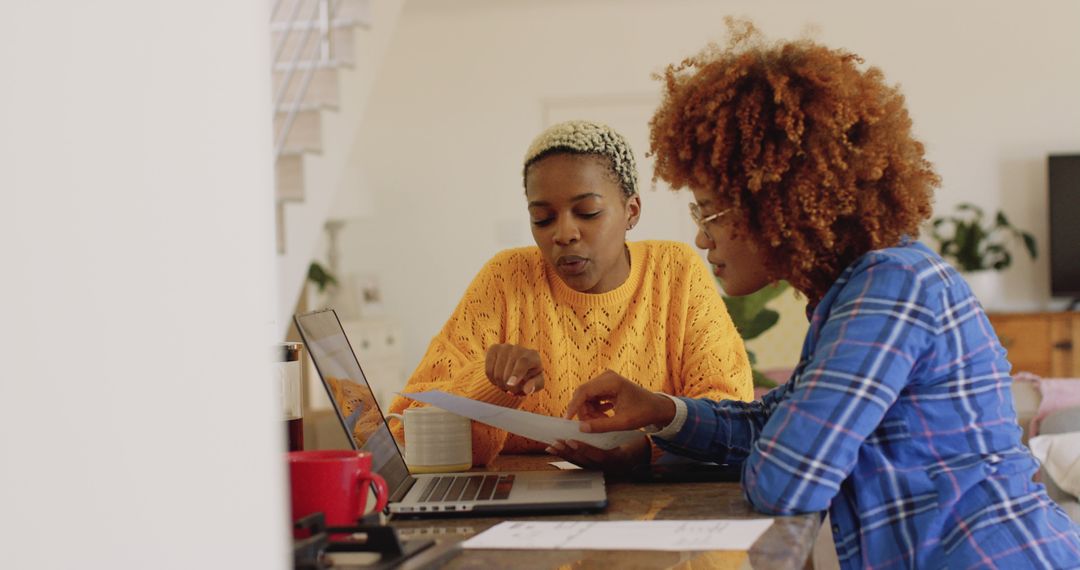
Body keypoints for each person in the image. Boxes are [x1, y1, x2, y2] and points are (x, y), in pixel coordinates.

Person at [564, 22, 1080, 568]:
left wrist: (777, 438)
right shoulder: (856, 293)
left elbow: (788, 480)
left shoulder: (892, 287)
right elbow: (774, 430)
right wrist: (662, 411)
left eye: (710, 209)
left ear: (774, 203)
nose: (701, 236)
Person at [388, 120, 753, 470]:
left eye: (588, 212)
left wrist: (645, 451)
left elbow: (729, 409)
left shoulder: (676, 271)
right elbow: (406, 429)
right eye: (543, 218)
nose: (563, 234)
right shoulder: (506, 278)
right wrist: (490, 387)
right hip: (520, 507)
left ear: (632, 211)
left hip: (653, 503)